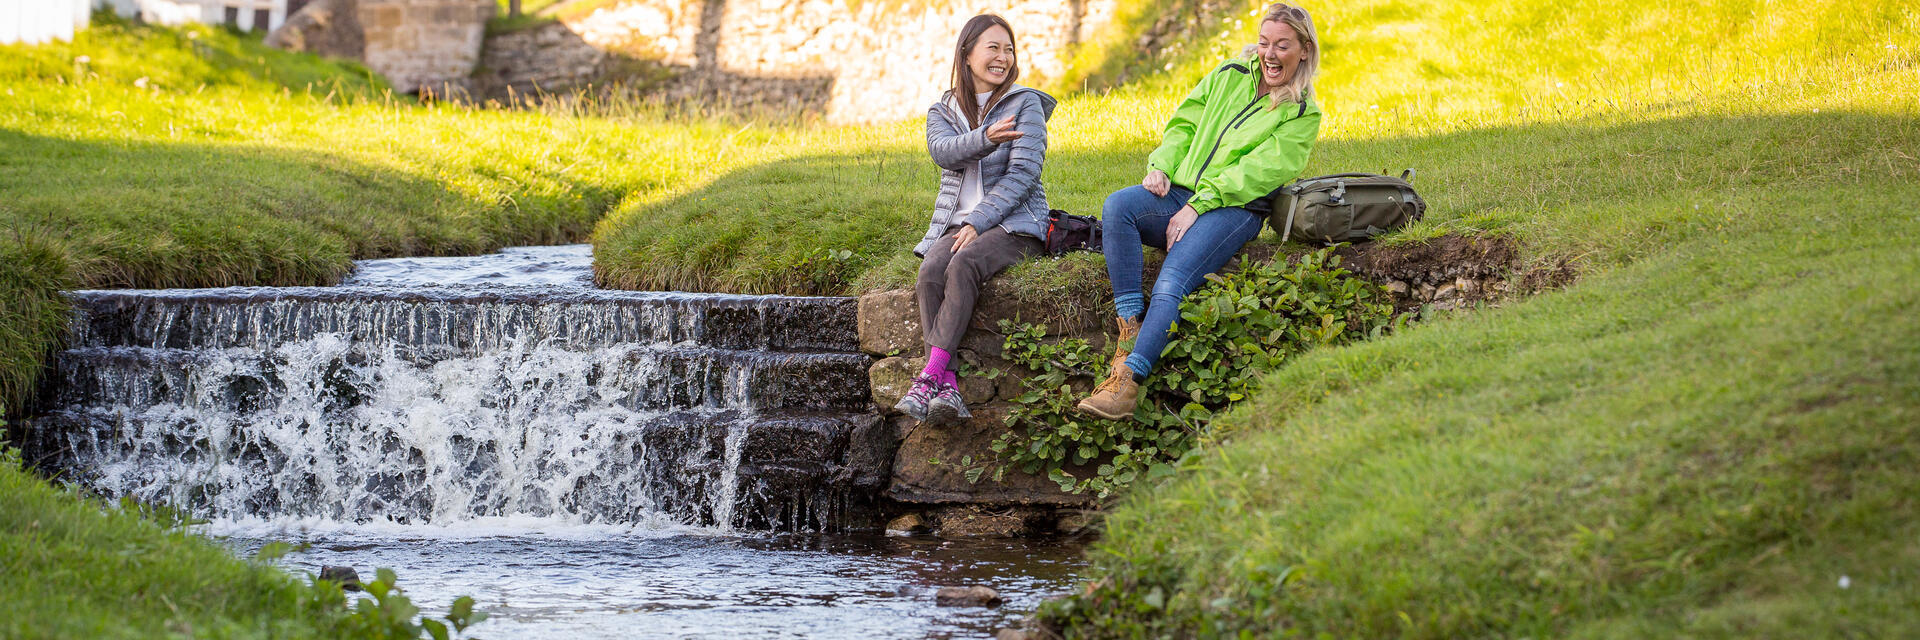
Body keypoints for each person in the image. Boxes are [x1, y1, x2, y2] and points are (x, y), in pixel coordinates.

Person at [1076, 3, 1323, 420]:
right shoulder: (1229, 75)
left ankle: (1127, 385)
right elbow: (1185, 123)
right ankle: (1130, 331)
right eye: (1264, 43)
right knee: (1120, 205)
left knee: (1172, 279)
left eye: (1283, 45)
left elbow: (1256, 173)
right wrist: (1161, 166)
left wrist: (1196, 206)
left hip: (1233, 209)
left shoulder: (1301, 113)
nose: (1270, 54)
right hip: (1182, 193)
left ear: (1304, 50)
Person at [895, 14, 1058, 426]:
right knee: (932, 270)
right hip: (957, 223)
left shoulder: (1026, 105)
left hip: (1015, 224)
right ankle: (947, 383)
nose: (1003, 57)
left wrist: (979, 222)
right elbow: (943, 152)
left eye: (1009, 49)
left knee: (964, 263)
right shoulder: (943, 109)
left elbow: (1024, 175)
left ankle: (928, 377)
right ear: (967, 54)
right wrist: (986, 138)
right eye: (993, 48)